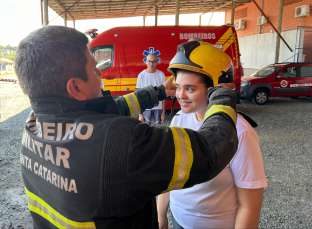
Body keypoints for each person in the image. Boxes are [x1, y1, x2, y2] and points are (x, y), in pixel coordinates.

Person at [15, 26, 238, 229]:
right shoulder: (122, 143)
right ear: (75, 87)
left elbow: (106, 110)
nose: (101, 74)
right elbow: (210, 150)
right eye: (94, 70)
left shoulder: (34, 124)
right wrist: (221, 93)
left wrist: (158, 92)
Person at [157, 42, 268, 229]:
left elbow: (249, 206)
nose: (180, 95)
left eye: (190, 89)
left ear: (217, 89)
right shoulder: (178, 119)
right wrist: (160, 215)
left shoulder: (240, 131)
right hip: (178, 220)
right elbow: (169, 174)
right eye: (177, 87)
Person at [136, 53, 166, 126]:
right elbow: (138, 95)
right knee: (145, 130)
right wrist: (140, 113)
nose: (151, 63)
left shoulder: (161, 75)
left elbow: (163, 95)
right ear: (146, 61)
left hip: (158, 107)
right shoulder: (141, 75)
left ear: (157, 62)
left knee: (158, 130)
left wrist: (163, 112)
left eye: (154, 61)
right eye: (149, 61)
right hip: (146, 108)